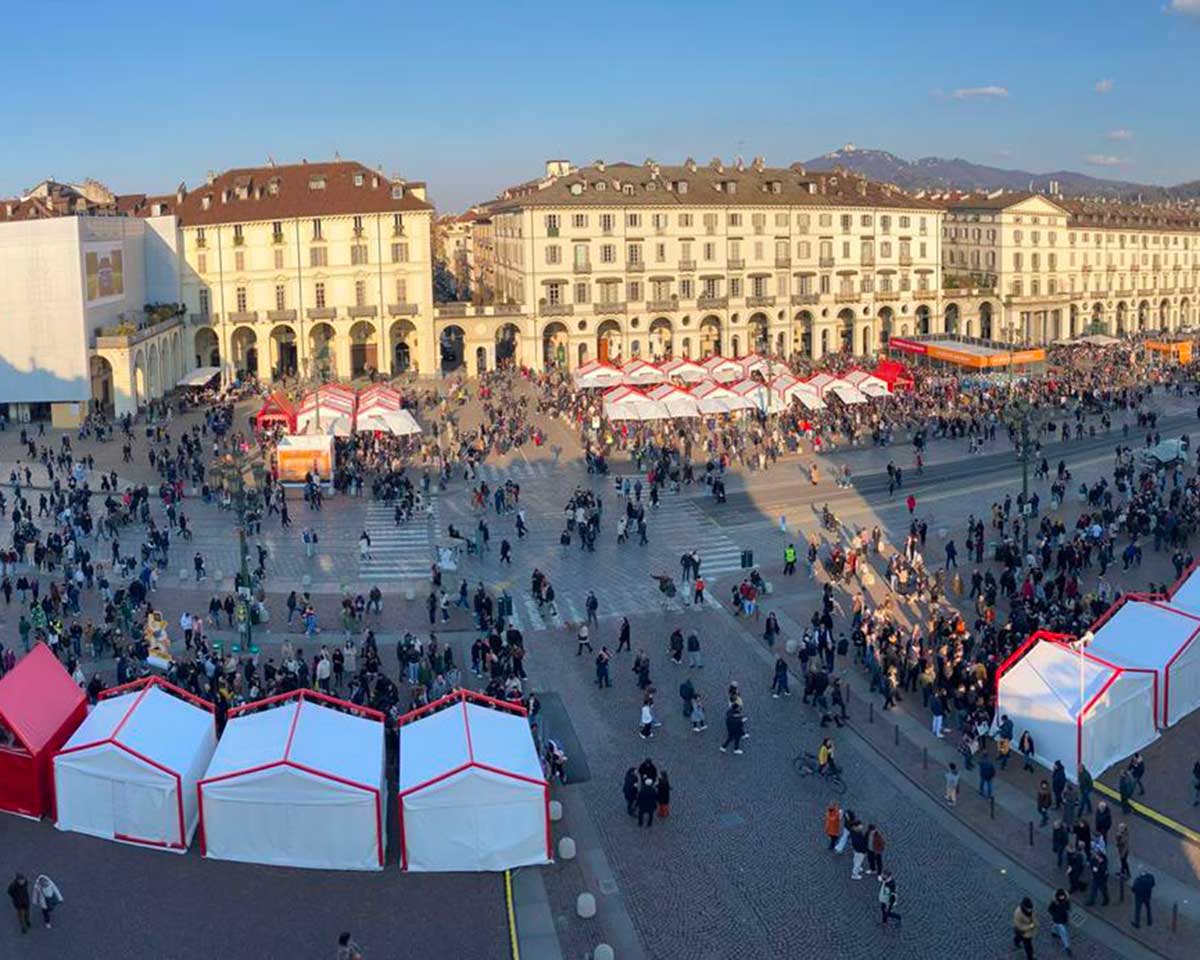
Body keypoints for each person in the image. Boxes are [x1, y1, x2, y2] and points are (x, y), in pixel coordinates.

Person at [1048, 888, 1072, 956]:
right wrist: (1055, 915)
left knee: (1056, 927)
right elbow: (1050, 909)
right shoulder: (1054, 902)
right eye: (1061, 896)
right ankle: (1067, 947)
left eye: (1063, 896)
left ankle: (1054, 933)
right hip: (1057, 919)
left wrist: (1067, 910)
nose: (1062, 897)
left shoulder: (1066, 901)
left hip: (1062, 919)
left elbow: (1068, 907)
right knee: (1063, 933)